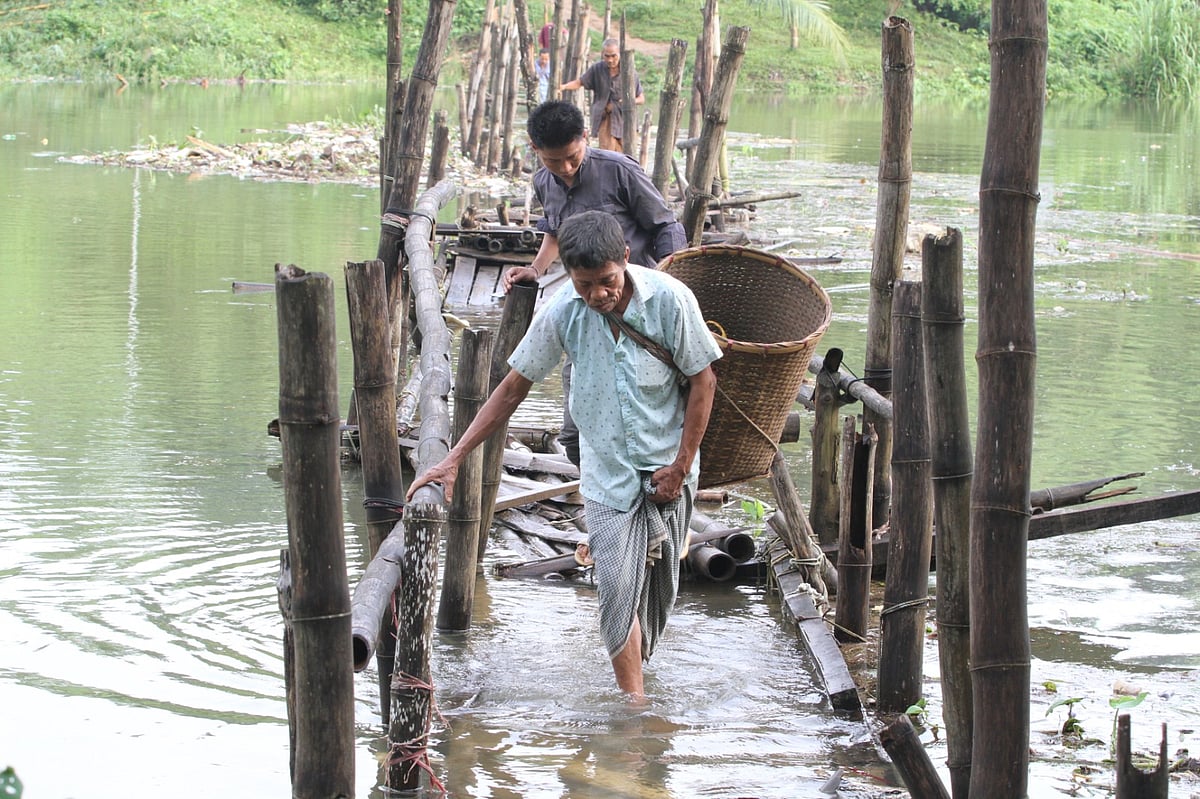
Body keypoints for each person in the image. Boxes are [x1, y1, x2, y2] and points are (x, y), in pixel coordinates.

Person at [407, 210, 721, 701]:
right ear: (569, 277)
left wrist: (681, 465)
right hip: (608, 473)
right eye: (585, 284)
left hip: (669, 464)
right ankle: (634, 707)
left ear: (625, 258)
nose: (598, 294)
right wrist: (454, 458)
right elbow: (512, 389)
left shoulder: (671, 302)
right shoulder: (563, 312)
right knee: (617, 590)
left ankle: (634, 677)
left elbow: (704, 381)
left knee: (659, 592)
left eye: (607, 282)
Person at [502, 99, 686, 465]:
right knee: (574, 433)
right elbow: (555, 231)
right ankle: (600, 492)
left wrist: (668, 282)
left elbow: (666, 225)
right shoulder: (543, 181)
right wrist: (536, 270)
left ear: (585, 136)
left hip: (637, 309)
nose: (565, 169)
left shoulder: (618, 170)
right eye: (553, 161)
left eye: (572, 157)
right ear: (534, 148)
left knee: (645, 418)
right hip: (587, 309)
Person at [559, 38, 644, 152]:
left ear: (619, 54)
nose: (610, 60)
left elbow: (641, 98)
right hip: (606, 119)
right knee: (607, 154)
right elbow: (580, 82)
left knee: (627, 155)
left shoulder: (629, 72)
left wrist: (628, 101)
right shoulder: (597, 69)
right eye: (607, 56)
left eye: (614, 56)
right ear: (602, 54)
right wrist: (564, 87)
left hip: (625, 120)